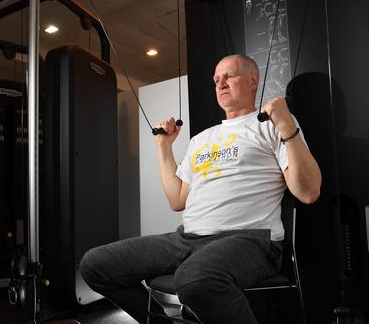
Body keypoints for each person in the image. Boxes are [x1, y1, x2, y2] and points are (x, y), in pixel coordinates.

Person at [79, 54, 321, 324]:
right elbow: (177, 199)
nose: (221, 84)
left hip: (250, 240)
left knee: (194, 279)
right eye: (216, 80)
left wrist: (286, 124)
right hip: (186, 239)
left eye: (229, 76)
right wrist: (164, 147)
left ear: (253, 80)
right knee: (94, 265)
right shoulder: (201, 139)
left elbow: (308, 192)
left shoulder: (271, 125)